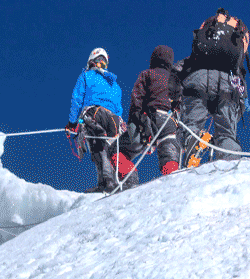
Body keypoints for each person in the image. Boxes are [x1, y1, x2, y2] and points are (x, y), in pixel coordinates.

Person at [179, 8, 250, 162]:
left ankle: (194, 142)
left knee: (191, 125)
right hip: (228, 85)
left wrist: (174, 93)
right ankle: (230, 162)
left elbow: (179, 68)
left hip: (197, 81)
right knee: (226, 133)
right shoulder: (236, 47)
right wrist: (240, 105)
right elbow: (241, 87)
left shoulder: (205, 38)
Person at [65, 48, 138, 193]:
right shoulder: (114, 84)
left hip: (94, 113)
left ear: (91, 62)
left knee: (98, 147)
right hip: (115, 119)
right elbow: (118, 108)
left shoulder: (86, 76)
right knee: (113, 148)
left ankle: (106, 183)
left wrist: (72, 122)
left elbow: (77, 99)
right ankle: (118, 179)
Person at [127, 45, 183, 175]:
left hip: (151, 119)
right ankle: (173, 182)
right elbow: (180, 103)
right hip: (170, 121)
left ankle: (129, 181)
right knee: (169, 157)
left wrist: (135, 122)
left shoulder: (147, 74)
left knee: (118, 152)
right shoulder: (174, 79)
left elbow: (137, 99)